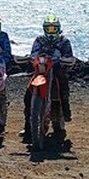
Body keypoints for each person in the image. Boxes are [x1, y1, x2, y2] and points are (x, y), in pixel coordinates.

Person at [19, 14, 74, 143]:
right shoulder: (39, 40)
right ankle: (28, 127)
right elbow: (34, 52)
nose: (51, 31)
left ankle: (65, 110)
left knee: (62, 81)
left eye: (53, 29)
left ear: (58, 29)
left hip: (56, 68)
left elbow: (68, 55)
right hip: (41, 69)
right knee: (28, 94)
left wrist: (65, 60)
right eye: (48, 28)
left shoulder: (64, 41)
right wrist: (30, 58)